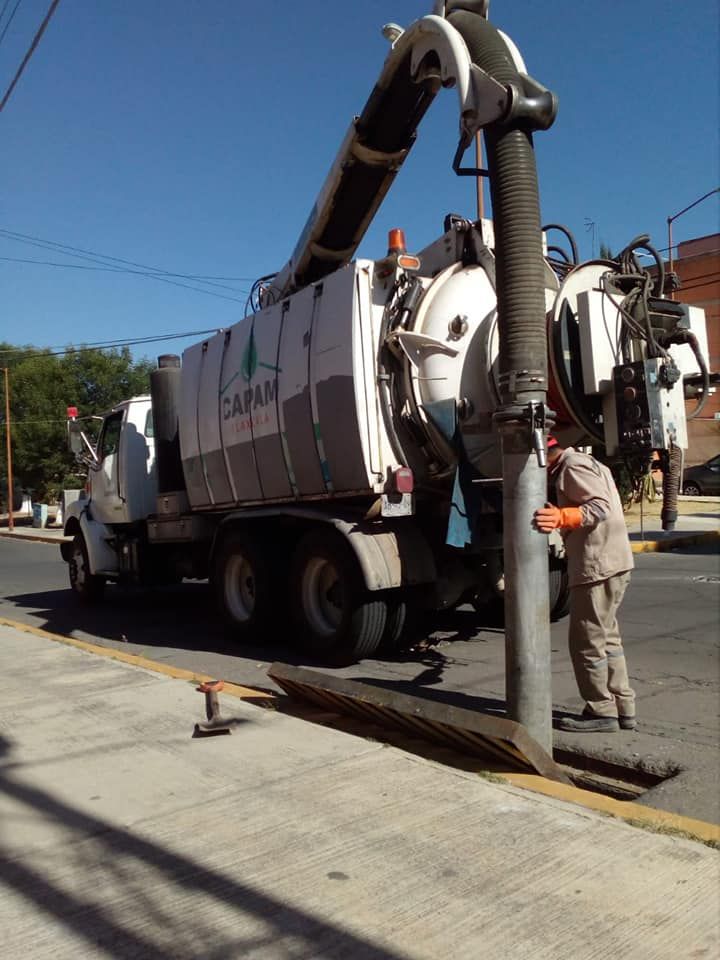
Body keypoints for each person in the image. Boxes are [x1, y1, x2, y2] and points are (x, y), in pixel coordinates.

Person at [534, 438, 636, 732]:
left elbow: (599, 507)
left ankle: (601, 710)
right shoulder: (588, 462)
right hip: (613, 562)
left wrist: (561, 516)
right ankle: (622, 705)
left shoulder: (570, 467)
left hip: (598, 565)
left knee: (586, 642)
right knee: (608, 639)